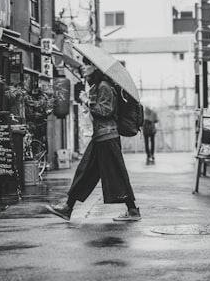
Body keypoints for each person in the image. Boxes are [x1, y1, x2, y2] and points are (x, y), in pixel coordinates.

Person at [45, 62, 140, 222]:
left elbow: (106, 110)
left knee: (116, 173)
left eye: (87, 65)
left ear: (96, 68)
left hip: (107, 136)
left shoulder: (104, 85)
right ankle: (68, 207)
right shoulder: (99, 85)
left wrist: (87, 102)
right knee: (85, 172)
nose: (84, 67)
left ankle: (132, 210)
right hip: (101, 137)